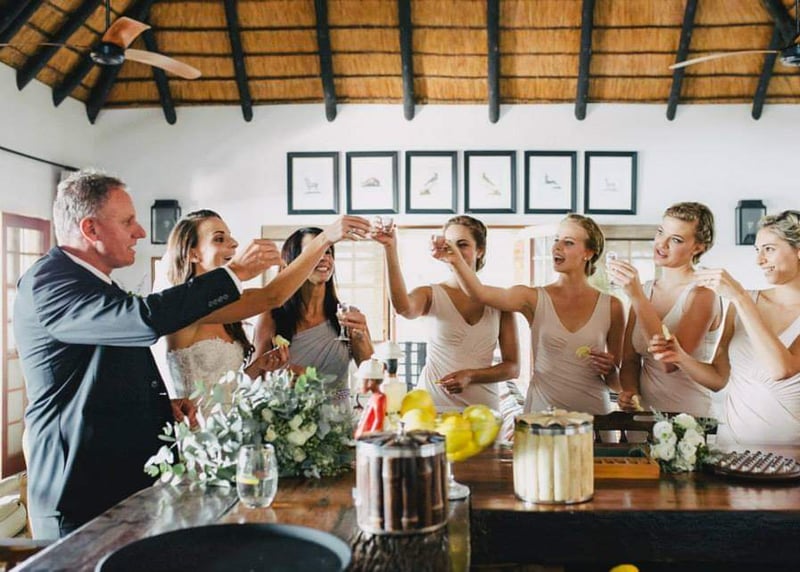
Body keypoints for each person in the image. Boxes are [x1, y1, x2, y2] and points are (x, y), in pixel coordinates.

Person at [12, 169, 370, 539]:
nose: (141, 232)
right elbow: (143, 320)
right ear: (90, 229)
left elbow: (99, 372)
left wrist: (158, 406)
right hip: (78, 493)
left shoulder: (97, 285)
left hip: (126, 482)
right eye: (128, 221)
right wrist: (236, 272)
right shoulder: (50, 284)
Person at [155, 210, 368, 422]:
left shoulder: (227, 310)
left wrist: (259, 366)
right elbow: (272, 296)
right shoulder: (185, 306)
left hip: (233, 428)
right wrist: (325, 237)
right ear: (192, 253)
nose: (234, 244)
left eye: (230, 237)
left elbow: (233, 387)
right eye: (219, 239)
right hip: (199, 429)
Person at [442, 214, 623, 415]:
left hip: (594, 416)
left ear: (588, 253)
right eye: (556, 240)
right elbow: (480, 293)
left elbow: (617, 384)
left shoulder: (612, 306)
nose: (556, 247)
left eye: (568, 242)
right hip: (540, 416)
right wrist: (455, 260)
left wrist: (611, 370)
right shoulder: (532, 298)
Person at [649, 210, 800, 446]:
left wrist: (739, 297)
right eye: (757, 250)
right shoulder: (744, 303)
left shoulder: (742, 301)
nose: (759, 260)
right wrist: (680, 357)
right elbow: (719, 378)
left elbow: (781, 369)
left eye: (769, 249)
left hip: (791, 454)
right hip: (732, 448)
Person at [372, 215, 519, 410]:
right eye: (449, 244)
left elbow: (512, 368)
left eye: (462, 244)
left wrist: (471, 375)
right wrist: (390, 248)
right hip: (432, 408)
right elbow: (403, 308)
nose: (454, 251)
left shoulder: (499, 300)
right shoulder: (430, 294)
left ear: (480, 251)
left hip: (483, 411)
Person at [611, 202, 721, 418]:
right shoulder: (644, 290)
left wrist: (636, 297)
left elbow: (669, 363)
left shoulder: (703, 293)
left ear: (698, 247)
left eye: (676, 239)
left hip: (687, 420)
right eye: (661, 232)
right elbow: (630, 359)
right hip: (642, 419)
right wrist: (630, 393)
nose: (661, 244)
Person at [252, 227, 375, 405]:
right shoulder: (271, 316)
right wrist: (281, 377)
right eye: (314, 251)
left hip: (339, 416)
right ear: (293, 262)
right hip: (289, 416)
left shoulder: (348, 316)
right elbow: (254, 378)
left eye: (328, 252)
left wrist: (361, 336)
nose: (324, 257)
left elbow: (373, 380)